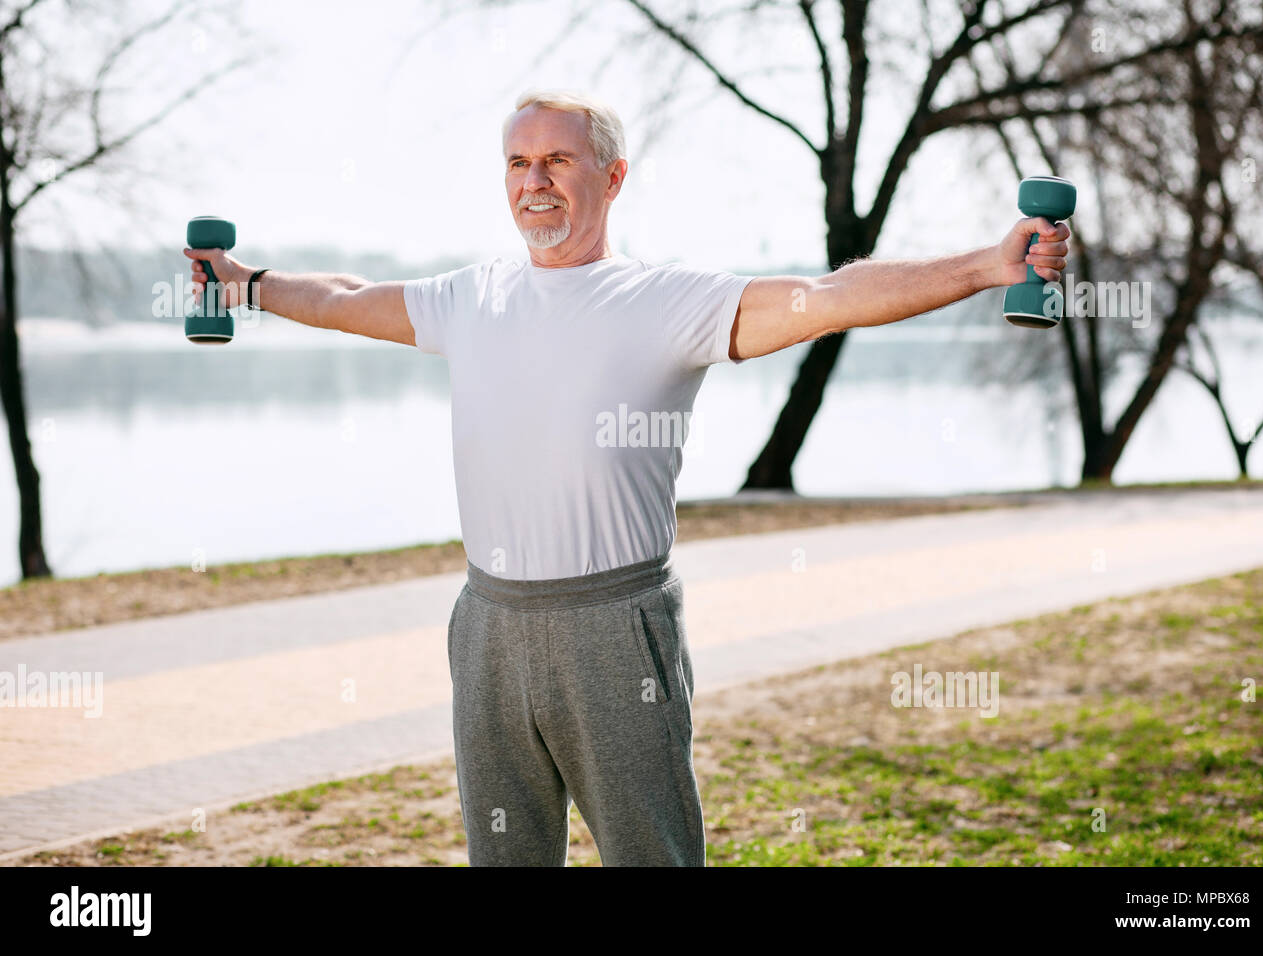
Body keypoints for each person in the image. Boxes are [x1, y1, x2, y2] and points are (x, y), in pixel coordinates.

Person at [183, 87, 1070, 867]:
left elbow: (828, 294)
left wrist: (986, 268)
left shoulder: (664, 301)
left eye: (558, 161)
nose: (534, 180)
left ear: (610, 179)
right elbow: (341, 297)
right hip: (486, 624)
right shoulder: (471, 298)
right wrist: (246, 282)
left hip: (616, 626)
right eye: (518, 162)